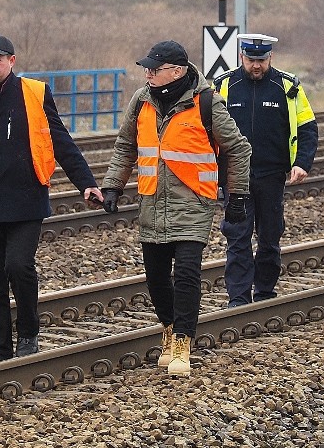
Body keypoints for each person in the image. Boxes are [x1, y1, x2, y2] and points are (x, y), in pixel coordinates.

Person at [0, 34, 103, 363]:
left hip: (25, 200)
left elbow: (60, 141)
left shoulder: (34, 93)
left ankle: (29, 333)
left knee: (18, 266)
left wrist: (86, 183)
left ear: (12, 62)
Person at [101, 40, 251, 376]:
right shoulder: (141, 101)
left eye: (155, 69)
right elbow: (125, 145)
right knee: (156, 278)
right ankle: (168, 329)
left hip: (194, 202)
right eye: (147, 69)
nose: (148, 74)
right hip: (152, 202)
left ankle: (183, 343)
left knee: (185, 274)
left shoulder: (206, 102)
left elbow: (239, 149)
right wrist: (113, 185)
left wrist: (237, 196)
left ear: (178, 71)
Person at [212, 33, 318, 307]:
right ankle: (238, 298)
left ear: (270, 57)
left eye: (261, 60)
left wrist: (302, 162)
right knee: (237, 238)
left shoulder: (288, 86)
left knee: (270, 238)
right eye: (250, 60)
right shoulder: (224, 86)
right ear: (241, 57)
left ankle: (265, 293)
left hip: (272, 175)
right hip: (235, 176)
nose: (256, 66)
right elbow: (206, 132)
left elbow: (307, 128)